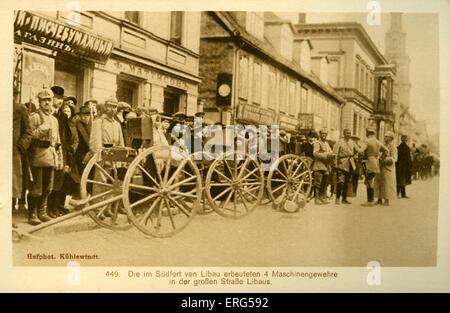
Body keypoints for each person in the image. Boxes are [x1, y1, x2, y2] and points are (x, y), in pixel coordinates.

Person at [28, 88, 61, 225]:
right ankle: (32, 214)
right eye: (44, 100)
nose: (47, 102)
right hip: (38, 156)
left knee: (48, 187)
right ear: (39, 101)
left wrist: (59, 158)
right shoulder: (34, 117)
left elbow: (58, 141)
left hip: (51, 156)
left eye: (49, 99)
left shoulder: (54, 119)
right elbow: (30, 136)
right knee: (37, 188)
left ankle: (43, 212)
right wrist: (44, 127)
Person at [47, 87, 79, 218]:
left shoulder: (62, 116)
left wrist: (66, 154)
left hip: (62, 152)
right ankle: (47, 209)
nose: (59, 101)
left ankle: (55, 208)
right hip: (50, 150)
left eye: (61, 99)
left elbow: (66, 137)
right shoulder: (49, 114)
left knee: (59, 181)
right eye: (57, 98)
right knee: (50, 181)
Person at [13, 95, 33, 217]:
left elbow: (28, 132)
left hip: (14, 152)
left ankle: (9, 214)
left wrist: (20, 147)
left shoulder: (20, 109)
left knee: (12, 183)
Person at [360, 127, 388, 207]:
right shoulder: (378, 142)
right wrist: (381, 159)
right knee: (370, 181)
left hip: (369, 162)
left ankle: (370, 200)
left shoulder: (367, 141)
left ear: (367, 133)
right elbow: (386, 151)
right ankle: (370, 200)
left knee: (369, 182)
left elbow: (361, 151)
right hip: (376, 162)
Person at [332, 129, 360, 204]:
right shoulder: (339, 142)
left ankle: (344, 199)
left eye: (350, 133)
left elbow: (358, 150)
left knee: (347, 182)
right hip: (341, 163)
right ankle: (337, 198)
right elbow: (335, 154)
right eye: (347, 133)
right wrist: (335, 164)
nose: (349, 135)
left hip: (350, 163)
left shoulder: (352, 142)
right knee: (340, 182)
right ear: (343, 134)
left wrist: (355, 156)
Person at [373, 131, 398, 206]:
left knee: (387, 184)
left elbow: (394, 158)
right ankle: (379, 199)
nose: (385, 138)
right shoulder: (383, 145)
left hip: (388, 168)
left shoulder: (393, 147)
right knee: (378, 183)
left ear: (391, 138)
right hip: (380, 166)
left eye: (387, 136)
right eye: (385, 136)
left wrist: (385, 159)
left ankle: (386, 200)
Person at [312, 129, 334, 205]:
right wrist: (326, 155)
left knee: (325, 183)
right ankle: (316, 199)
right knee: (317, 183)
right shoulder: (317, 143)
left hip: (326, 166)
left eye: (325, 134)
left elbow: (331, 152)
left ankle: (322, 197)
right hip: (319, 165)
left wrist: (330, 154)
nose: (324, 135)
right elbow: (316, 154)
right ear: (320, 134)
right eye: (323, 134)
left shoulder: (327, 144)